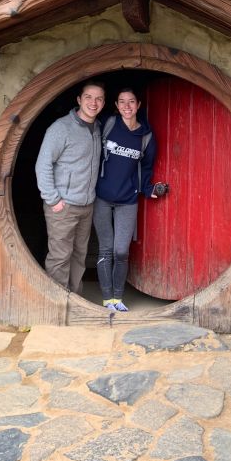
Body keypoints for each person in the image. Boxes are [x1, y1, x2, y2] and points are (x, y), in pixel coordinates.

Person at [35, 81, 105, 294]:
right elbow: (43, 164)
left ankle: (74, 299)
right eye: (88, 97)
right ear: (79, 100)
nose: (93, 103)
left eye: (99, 98)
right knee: (59, 256)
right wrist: (53, 199)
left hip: (86, 205)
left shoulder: (98, 128)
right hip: (63, 205)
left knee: (78, 255)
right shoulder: (61, 128)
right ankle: (57, 306)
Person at [93, 88, 157, 311]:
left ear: (138, 104)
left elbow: (146, 167)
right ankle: (107, 299)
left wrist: (148, 189)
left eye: (131, 102)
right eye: (122, 102)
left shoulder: (145, 135)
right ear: (116, 105)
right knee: (106, 250)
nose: (127, 106)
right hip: (101, 197)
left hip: (128, 199)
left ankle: (118, 299)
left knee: (121, 251)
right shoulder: (108, 125)